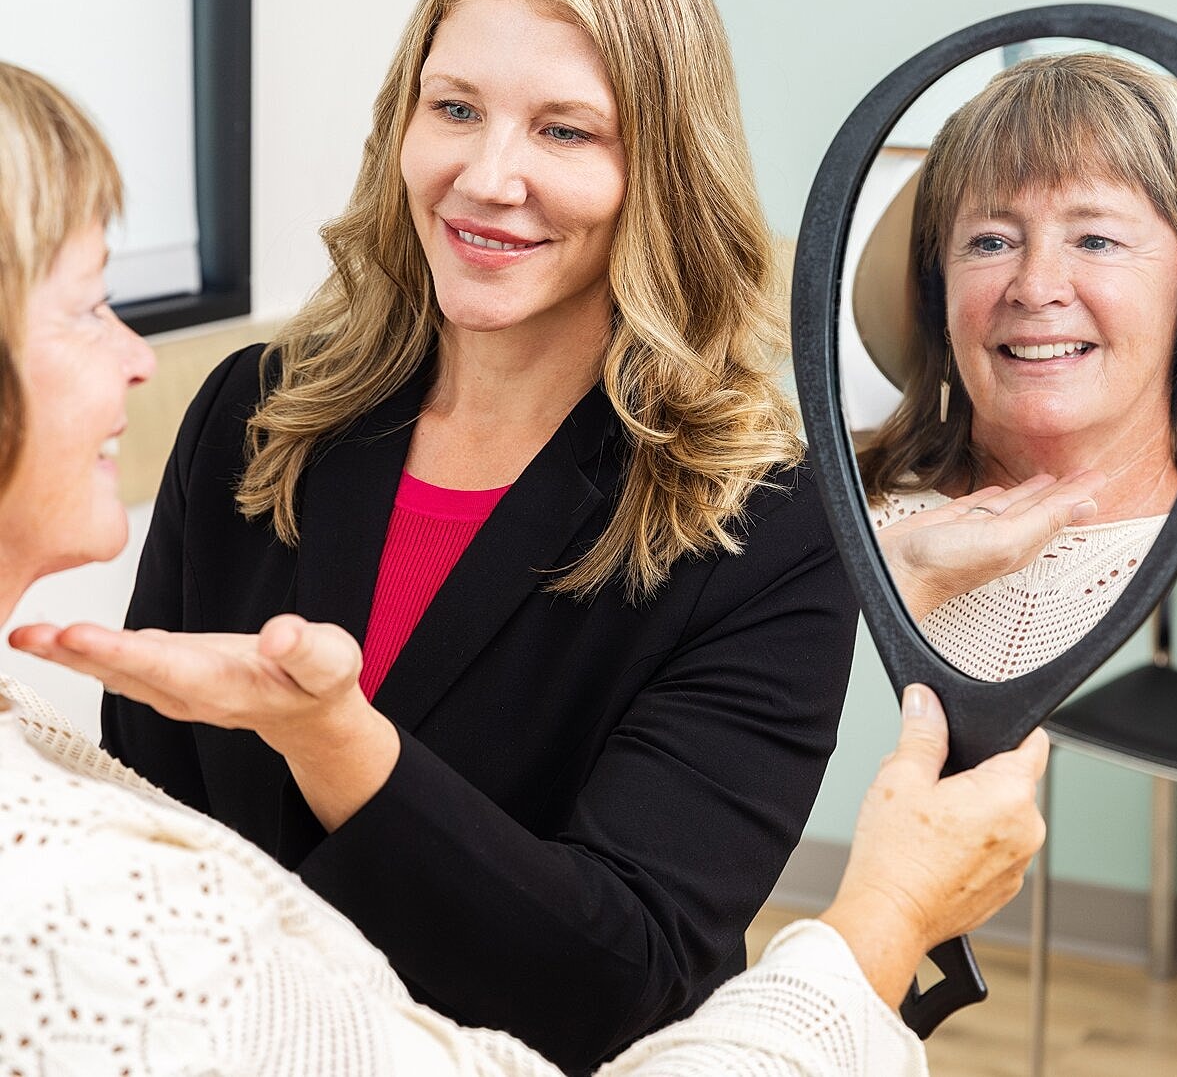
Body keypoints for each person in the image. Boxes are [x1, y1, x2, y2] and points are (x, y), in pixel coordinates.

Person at [0, 66, 1051, 1077]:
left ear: (665, 173)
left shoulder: (765, 525)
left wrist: (337, 743)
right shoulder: (254, 413)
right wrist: (885, 916)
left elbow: (630, 978)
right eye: (455, 106)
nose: (492, 172)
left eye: (565, 129)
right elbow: (166, 828)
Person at [856, 52, 1177, 680]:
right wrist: (902, 578)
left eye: (1096, 240)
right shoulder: (815, 517)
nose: (1036, 288)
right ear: (939, 294)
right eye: (992, 242)